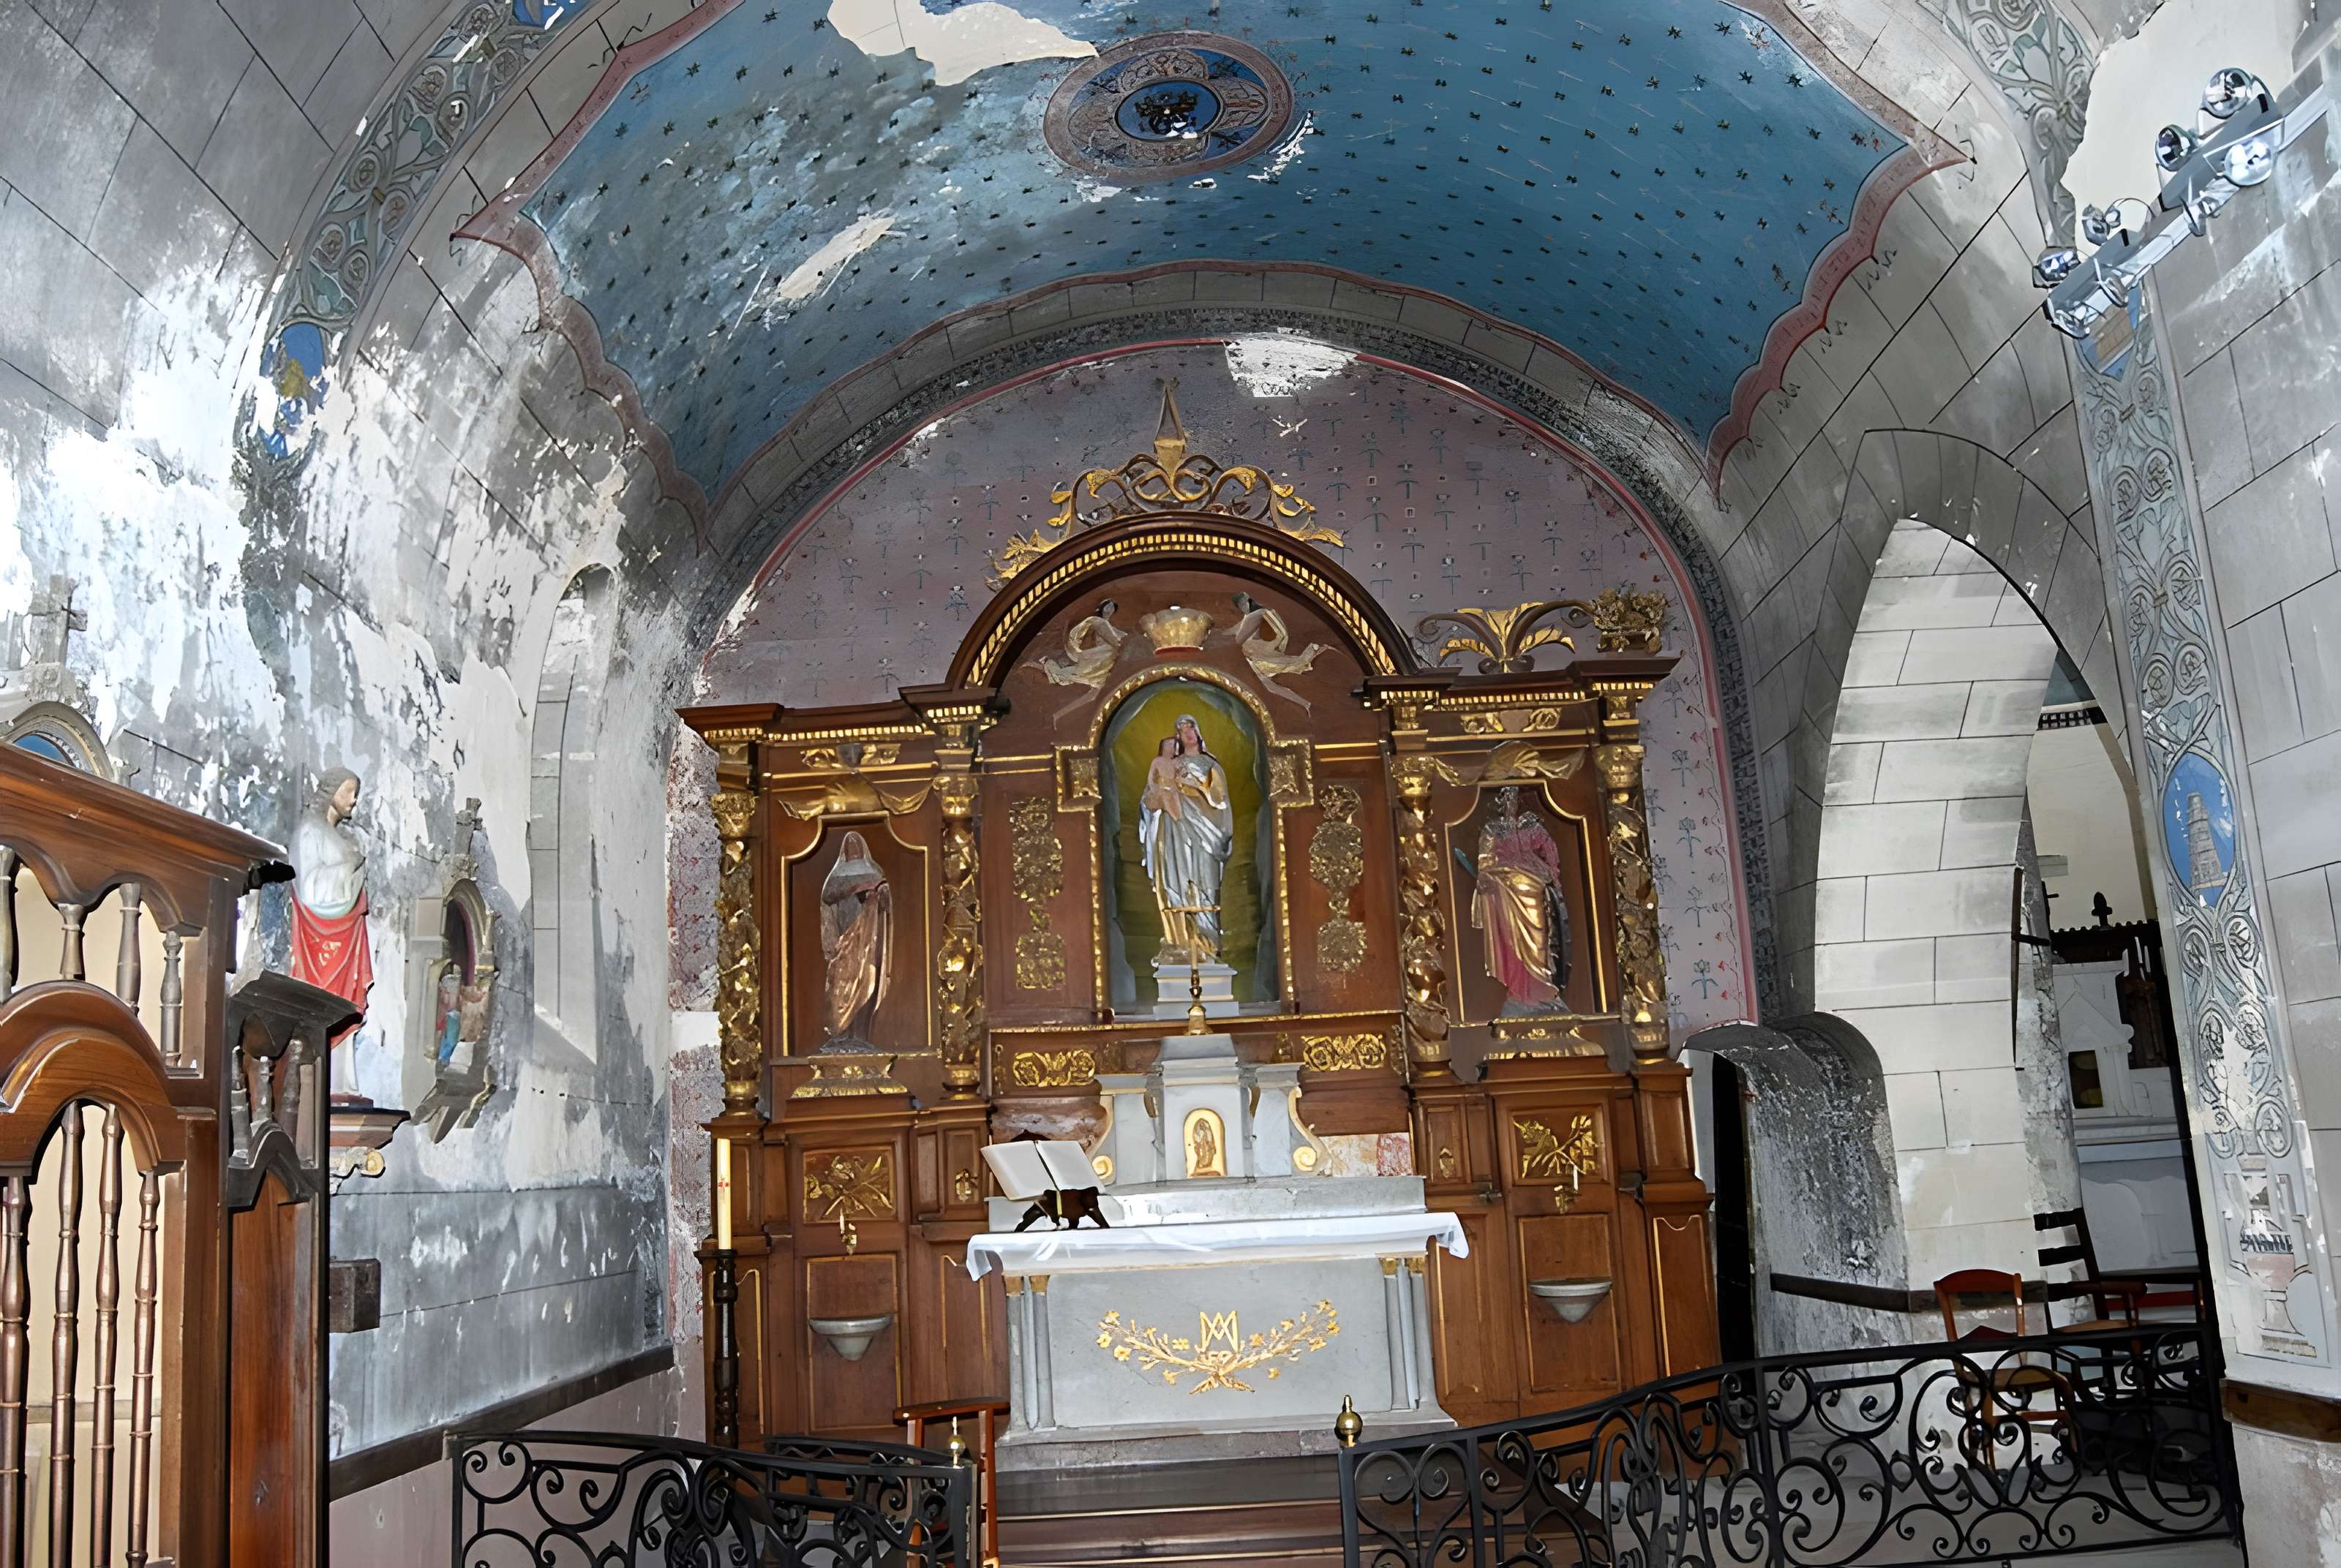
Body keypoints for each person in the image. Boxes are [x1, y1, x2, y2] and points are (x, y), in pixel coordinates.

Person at [1468, 786, 1571, 1011]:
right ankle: (1519, 991)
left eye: (1513, 797)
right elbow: (1484, 863)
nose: (1510, 802)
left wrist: (1551, 874)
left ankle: (1543, 988)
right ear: (1498, 802)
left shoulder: (1531, 825)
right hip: (1507, 893)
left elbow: (1550, 851)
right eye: (1505, 797)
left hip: (1534, 890)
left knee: (1540, 938)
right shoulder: (1492, 829)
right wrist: (1488, 878)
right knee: (1511, 940)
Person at [1141, 716, 1234, 963]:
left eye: (1191, 727)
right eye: (1182, 731)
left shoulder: (1211, 765)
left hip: (1205, 835)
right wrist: (1165, 789)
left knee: (1205, 885)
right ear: (1178, 738)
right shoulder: (1171, 764)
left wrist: (1193, 785)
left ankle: (1208, 946)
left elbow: (1219, 800)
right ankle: (1181, 943)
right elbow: (1151, 800)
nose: (1188, 733)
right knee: (1178, 882)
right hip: (1175, 832)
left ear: (1198, 731)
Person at [291, 766, 372, 1043]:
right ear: (331, 792)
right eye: (348, 791)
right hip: (319, 940)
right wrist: (350, 866)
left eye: (356, 793)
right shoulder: (309, 831)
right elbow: (310, 889)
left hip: (344, 941)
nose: (354, 799)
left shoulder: (333, 835)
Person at [819, 832, 892, 1045]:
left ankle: (859, 1036)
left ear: (862, 848)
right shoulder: (836, 875)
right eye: (848, 845)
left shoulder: (874, 872)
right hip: (844, 937)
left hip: (867, 939)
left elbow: (886, 903)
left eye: (856, 844)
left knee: (865, 982)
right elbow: (828, 896)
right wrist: (854, 888)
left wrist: (878, 894)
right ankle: (841, 1034)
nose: (852, 848)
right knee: (840, 985)